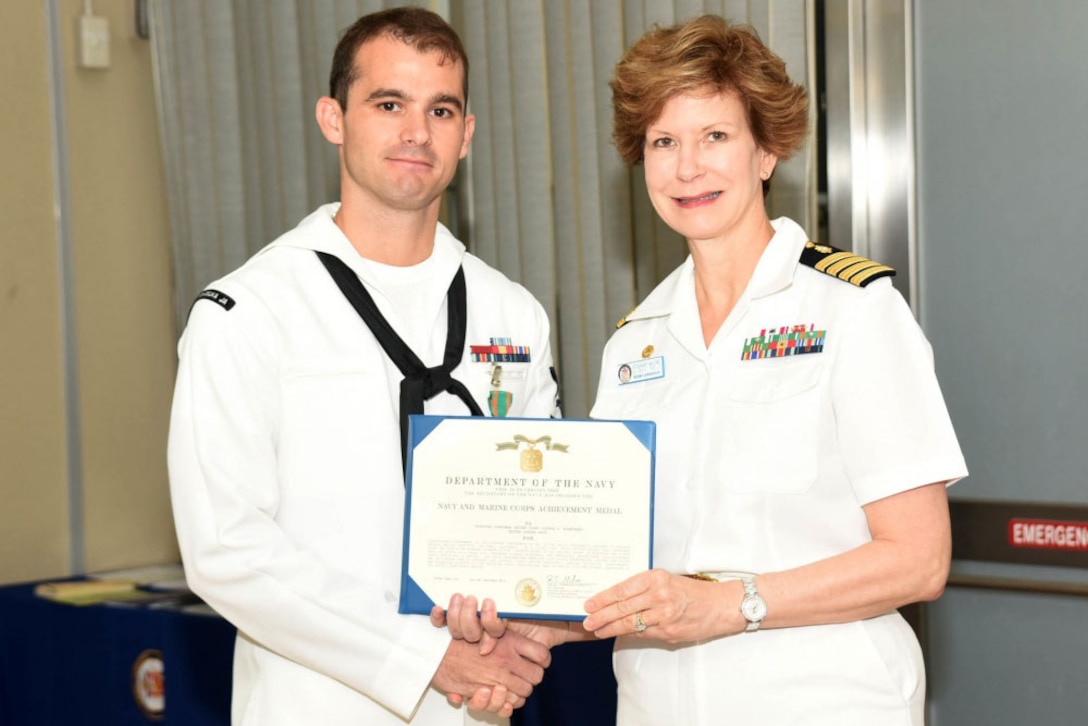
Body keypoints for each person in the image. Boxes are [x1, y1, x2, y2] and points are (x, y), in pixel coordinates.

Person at [439, 14, 967, 725]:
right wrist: (544, 624)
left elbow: (919, 560)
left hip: (825, 703)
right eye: (664, 142)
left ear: (767, 150)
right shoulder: (634, 346)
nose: (688, 167)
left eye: (715, 136)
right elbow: (628, 564)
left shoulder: (855, 310)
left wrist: (729, 604)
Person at [167, 7, 562, 725]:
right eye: (389, 104)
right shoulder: (249, 312)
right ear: (333, 118)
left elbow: (544, 528)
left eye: (441, 109)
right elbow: (226, 549)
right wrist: (424, 657)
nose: (417, 132)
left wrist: (533, 628)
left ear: (466, 135)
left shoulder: (513, 315)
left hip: (477, 706)